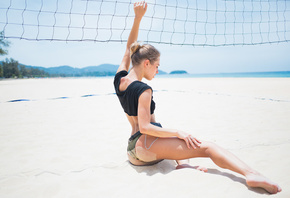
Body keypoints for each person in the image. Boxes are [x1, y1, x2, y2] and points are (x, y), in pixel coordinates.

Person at [113, 1, 282, 194]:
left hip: (132, 150)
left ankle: (184, 165)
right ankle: (251, 174)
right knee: (206, 147)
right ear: (146, 63)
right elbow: (145, 127)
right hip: (145, 147)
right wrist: (179, 132)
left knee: (176, 142)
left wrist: (137, 18)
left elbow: (128, 50)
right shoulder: (144, 89)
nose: (158, 70)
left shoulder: (119, 80)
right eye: (157, 66)